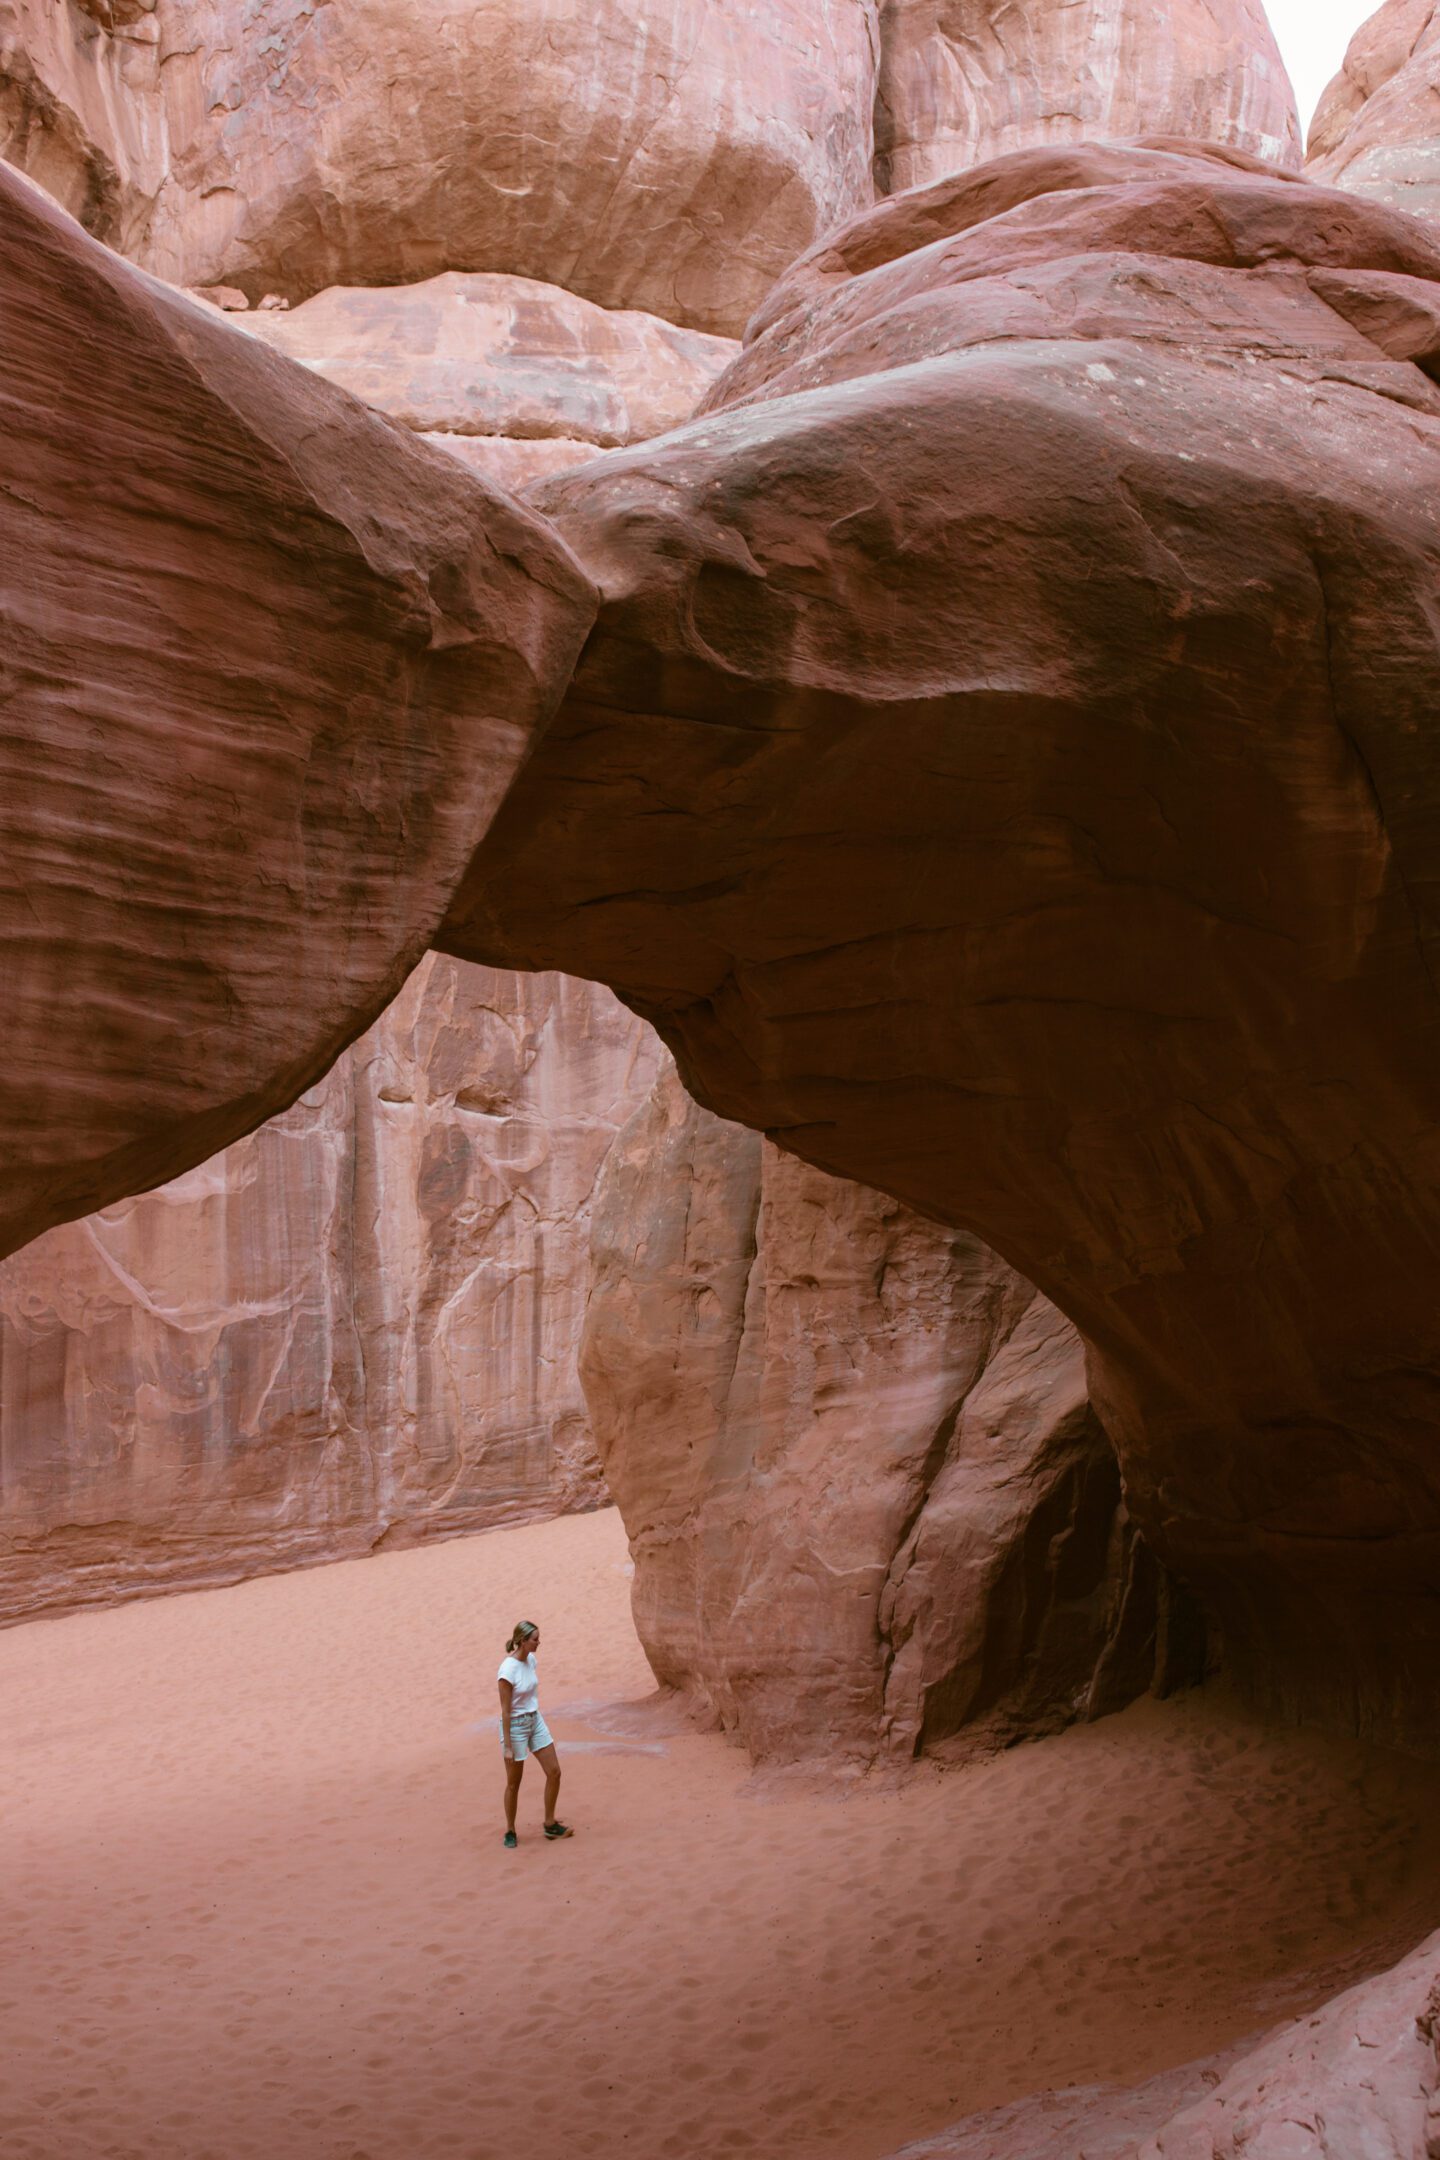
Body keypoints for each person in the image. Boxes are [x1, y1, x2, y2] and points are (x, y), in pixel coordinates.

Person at [497, 1620, 572, 1848]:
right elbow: (506, 1710)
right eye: (535, 1639)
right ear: (522, 1641)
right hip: (516, 1726)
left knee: (555, 1772)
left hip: (534, 1720)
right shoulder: (507, 1671)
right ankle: (510, 1829)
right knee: (513, 1783)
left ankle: (550, 1824)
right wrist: (508, 1745)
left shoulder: (531, 1660)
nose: (539, 1642)